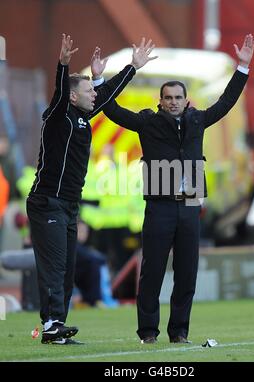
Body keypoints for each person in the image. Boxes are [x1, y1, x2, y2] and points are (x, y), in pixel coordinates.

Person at [103, 34, 254, 344]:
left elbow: (226, 102)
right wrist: (121, 71)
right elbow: (111, 109)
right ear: (160, 101)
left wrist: (242, 67)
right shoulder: (147, 123)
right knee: (153, 273)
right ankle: (147, 333)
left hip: (189, 206)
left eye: (177, 97)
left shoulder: (198, 120)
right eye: (168, 98)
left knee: (187, 274)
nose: (172, 102)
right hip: (159, 207)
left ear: (187, 100)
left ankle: (180, 332)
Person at [26, 33, 157, 345]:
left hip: (69, 205)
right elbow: (60, 93)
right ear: (73, 97)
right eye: (88, 90)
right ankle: (52, 324)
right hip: (48, 202)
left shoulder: (82, 119)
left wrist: (132, 67)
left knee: (68, 268)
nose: (94, 95)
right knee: (55, 267)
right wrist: (63, 64)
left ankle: (55, 326)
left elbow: (107, 94)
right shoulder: (58, 117)